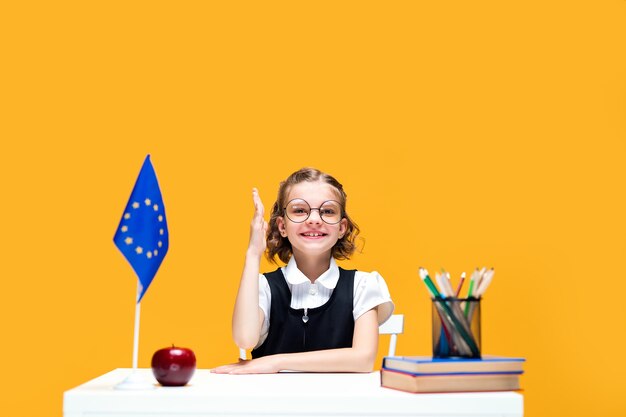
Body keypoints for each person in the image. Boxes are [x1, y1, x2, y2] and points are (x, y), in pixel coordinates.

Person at [213, 168, 393, 374]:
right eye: (299, 210)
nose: (314, 219)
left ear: (342, 227)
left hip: (342, 404)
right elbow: (245, 338)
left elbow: (363, 359)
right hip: (272, 404)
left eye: (327, 211)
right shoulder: (264, 286)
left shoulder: (363, 285)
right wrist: (253, 253)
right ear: (282, 226)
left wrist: (275, 362)